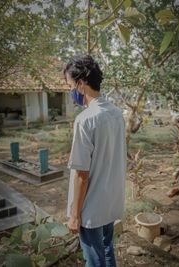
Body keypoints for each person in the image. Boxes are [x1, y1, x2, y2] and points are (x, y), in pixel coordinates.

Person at [64, 55, 126, 267]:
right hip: (111, 200)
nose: (70, 91)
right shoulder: (116, 113)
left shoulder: (85, 119)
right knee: (107, 248)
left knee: (94, 259)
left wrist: (74, 215)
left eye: (70, 85)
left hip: (91, 207)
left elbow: (82, 173)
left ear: (81, 84)